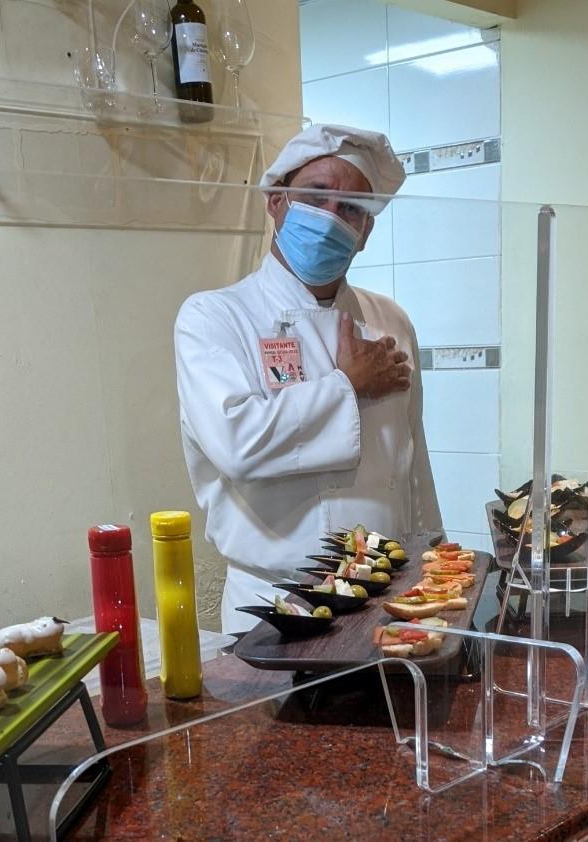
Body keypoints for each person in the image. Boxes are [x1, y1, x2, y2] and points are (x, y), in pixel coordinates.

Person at [173, 124, 442, 633]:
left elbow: (412, 464)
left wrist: (433, 563)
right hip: (275, 604)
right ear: (275, 202)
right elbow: (238, 443)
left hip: (381, 599)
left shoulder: (390, 322)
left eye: (352, 209)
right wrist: (347, 384)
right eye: (316, 196)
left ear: (365, 233)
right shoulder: (214, 317)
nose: (330, 219)